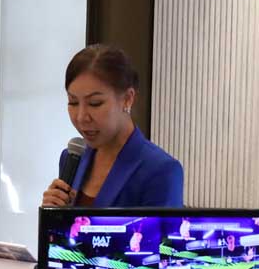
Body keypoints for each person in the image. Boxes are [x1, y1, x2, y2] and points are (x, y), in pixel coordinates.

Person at [42, 45, 183, 209]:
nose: (81, 117)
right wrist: (52, 215)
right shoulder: (71, 159)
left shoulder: (160, 170)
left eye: (95, 103)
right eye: (73, 102)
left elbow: (160, 227)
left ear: (127, 99)